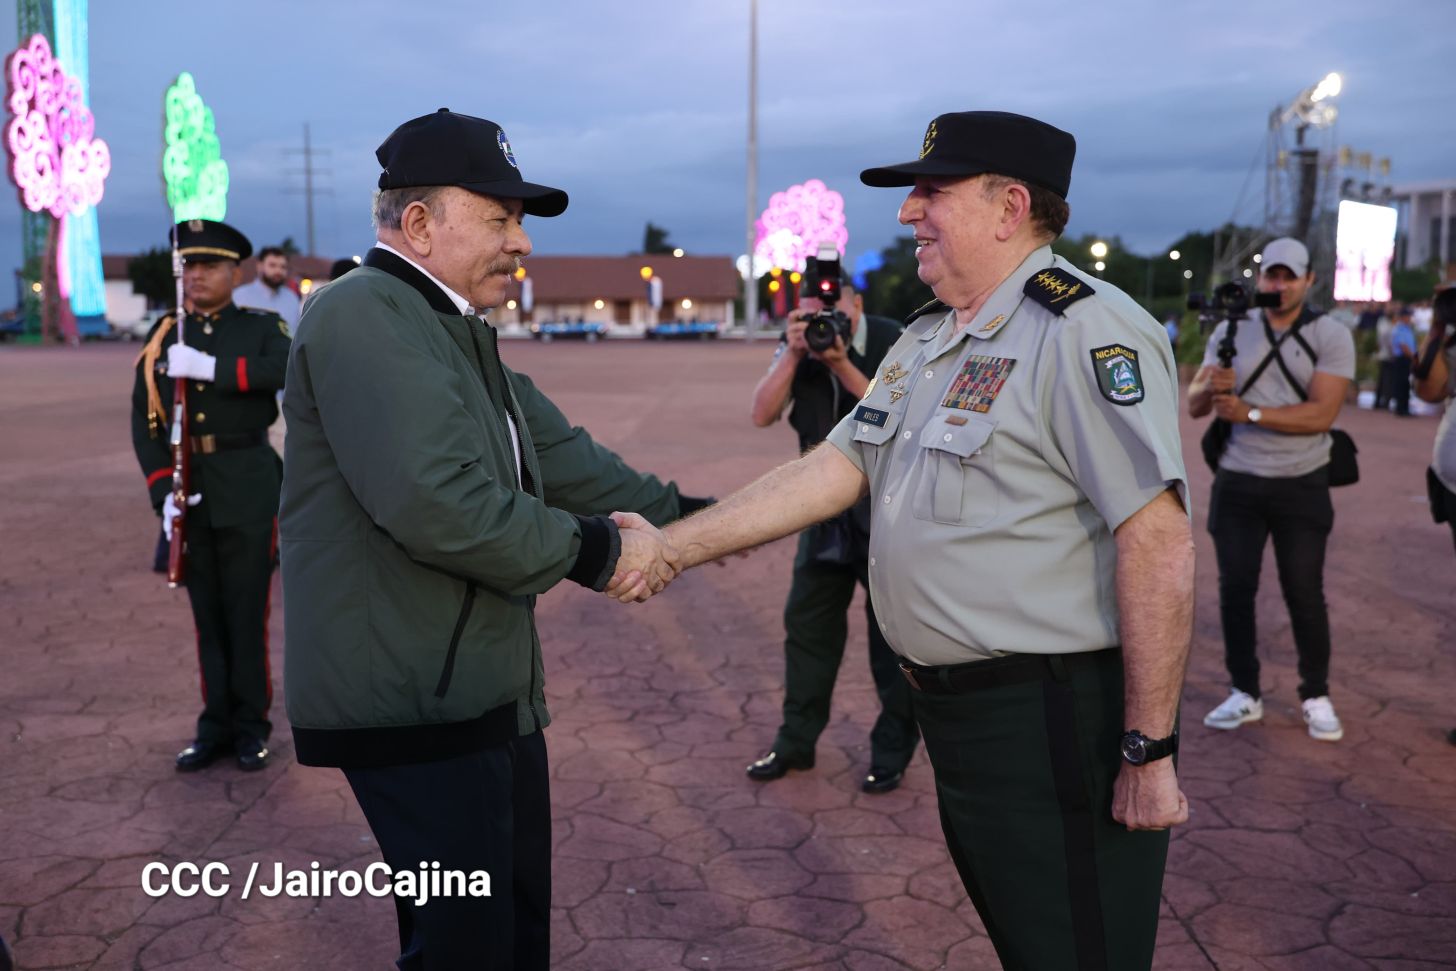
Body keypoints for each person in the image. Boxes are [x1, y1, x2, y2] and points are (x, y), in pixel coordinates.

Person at [614, 110, 1195, 971]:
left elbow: (1159, 542)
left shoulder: (1084, 330)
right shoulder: (929, 339)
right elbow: (835, 466)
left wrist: (1150, 751)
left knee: (1081, 946)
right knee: (1031, 939)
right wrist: (671, 545)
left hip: (1050, 720)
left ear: (1010, 207)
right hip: (959, 717)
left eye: (932, 192)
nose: (906, 212)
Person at [279, 108, 707, 971]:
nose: (522, 243)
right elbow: (443, 505)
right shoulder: (365, 314)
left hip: (483, 693)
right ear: (420, 223)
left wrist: (710, 519)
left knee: (509, 936)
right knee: (465, 950)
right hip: (416, 704)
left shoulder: (456, 332)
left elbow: (568, 462)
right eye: (501, 217)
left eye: (520, 221)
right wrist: (601, 550)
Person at [744, 260, 916, 793]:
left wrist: (841, 362)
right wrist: (795, 353)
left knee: (892, 642)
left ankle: (890, 753)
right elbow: (761, 413)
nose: (827, 318)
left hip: (885, 514)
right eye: (818, 309)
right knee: (808, 631)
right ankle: (795, 744)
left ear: (856, 304)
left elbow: (899, 420)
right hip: (820, 514)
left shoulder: (894, 338)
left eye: (836, 305)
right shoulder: (799, 342)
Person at [130, 219, 292, 771]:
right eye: (189, 267)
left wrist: (214, 368)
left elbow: (287, 367)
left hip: (248, 485)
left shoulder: (260, 326)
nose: (195, 276)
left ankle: (251, 727)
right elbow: (145, 422)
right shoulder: (166, 335)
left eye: (208, 266)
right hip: (190, 490)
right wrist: (163, 497)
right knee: (208, 617)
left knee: (246, 615)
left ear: (234, 272)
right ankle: (214, 724)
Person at [1187, 237, 1355, 742]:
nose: (1277, 285)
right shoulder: (1232, 328)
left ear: (1309, 281)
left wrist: (1251, 412)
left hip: (1301, 483)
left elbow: (1322, 414)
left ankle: (1315, 694)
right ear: (1260, 279)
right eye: (1270, 276)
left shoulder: (1330, 334)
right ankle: (1244, 691)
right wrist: (1213, 386)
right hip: (1238, 481)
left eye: (1288, 277)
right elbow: (1196, 405)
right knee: (1235, 589)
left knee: (1304, 591)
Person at [233, 246, 301, 330]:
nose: (278, 271)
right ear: (259, 266)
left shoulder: (291, 298)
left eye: (283, 267)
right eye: (272, 265)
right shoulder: (240, 297)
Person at [1388, 305, 1417, 417]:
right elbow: (1403, 346)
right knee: (1401, 383)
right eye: (1408, 316)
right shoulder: (1399, 329)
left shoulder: (1408, 328)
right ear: (1402, 317)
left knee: (1406, 384)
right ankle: (1400, 408)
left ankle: (1405, 407)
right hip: (1402, 359)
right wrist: (1414, 357)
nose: (1409, 318)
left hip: (1407, 359)